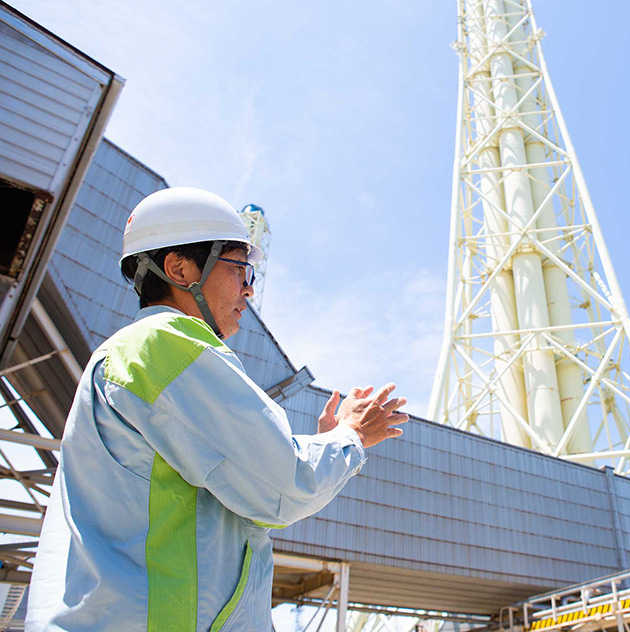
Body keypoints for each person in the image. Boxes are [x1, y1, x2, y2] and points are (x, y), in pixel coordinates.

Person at [27, 187, 409, 631]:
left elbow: (246, 497)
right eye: (241, 269)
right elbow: (285, 487)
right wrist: (352, 435)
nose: (249, 289)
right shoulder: (166, 345)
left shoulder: (137, 357)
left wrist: (321, 441)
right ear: (179, 268)